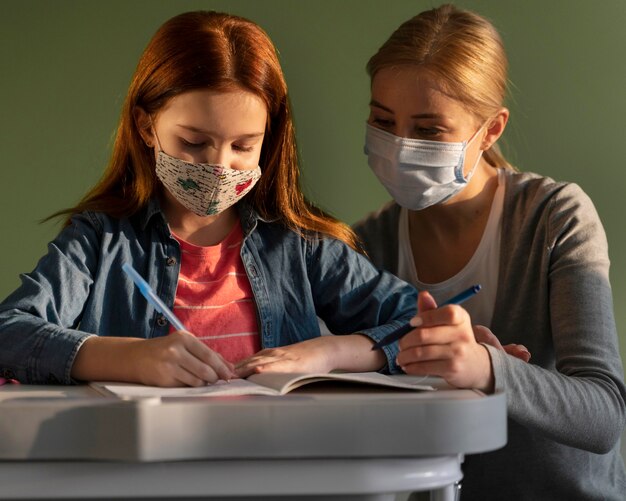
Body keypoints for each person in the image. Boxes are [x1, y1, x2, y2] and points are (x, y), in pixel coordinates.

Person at [0, 10, 417, 387]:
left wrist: (329, 352)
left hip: (276, 462)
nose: (219, 167)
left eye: (243, 146)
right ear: (146, 128)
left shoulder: (299, 244)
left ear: (268, 141)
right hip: (141, 465)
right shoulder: (101, 241)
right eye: (194, 142)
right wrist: (127, 358)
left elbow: (417, 323)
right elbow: (9, 332)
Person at [353, 4, 626, 500]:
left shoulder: (554, 217)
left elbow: (603, 414)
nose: (398, 146)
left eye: (429, 130)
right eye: (382, 120)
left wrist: (486, 368)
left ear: (491, 130)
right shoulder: (366, 245)